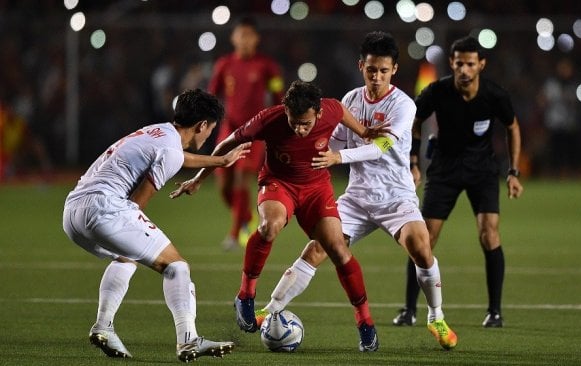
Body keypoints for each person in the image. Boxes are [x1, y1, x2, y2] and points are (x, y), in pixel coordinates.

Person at [252, 31, 458, 351]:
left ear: (394, 70)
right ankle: (271, 308)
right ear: (361, 65)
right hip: (357, 197)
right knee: (317, 249)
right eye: (371, 69)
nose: (376, 77)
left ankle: (436, 316)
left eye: (383, 71)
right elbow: (331, 142)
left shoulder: (403, 105)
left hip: (396, 196)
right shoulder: (349, 100)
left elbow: (380, 147)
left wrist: (338, 157)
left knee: (421, 245)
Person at [170, 80, 388, 352]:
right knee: (269, 226)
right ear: (285, 110)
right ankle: (246, 295)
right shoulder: (268, 119)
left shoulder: (330, 110)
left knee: (339, 250)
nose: (298, 128)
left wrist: (364, 131)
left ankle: (365, 322)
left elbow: (341, 110)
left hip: (317, 189)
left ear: (318, 113)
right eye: (293, 121)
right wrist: (200, 178)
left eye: (305, 124)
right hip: (279, 184)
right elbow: (227, 142)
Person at [62, 89, 251, 361]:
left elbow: (178, 156)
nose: (210, 135)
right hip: (104, 209)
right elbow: (137, 203)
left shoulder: (158, 131)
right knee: (176, 266)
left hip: (73, 212)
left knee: (126, 258)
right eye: (210, 129)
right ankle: (189, 340)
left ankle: (104, 326)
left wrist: (219, 161)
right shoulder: (170, 150)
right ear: (202, 125)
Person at [395, 36, 524, 328]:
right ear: (451, 63)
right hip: (445, 169)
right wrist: (413, 161)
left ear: (481, 64)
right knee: (423, 238)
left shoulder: (494, 95)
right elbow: (413, 121)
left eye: (469, 63)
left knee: (489, 235)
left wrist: (513, 172)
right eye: (458, 63)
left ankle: (495, 312)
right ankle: (409, 310)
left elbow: (513, 127)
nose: (464, 69)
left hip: (482, 170)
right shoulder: (438, 91)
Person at [207, 16, 285, 250]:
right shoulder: (224, 65)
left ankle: (234, 234)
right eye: (241, 35)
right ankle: (248, 218)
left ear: (256, 39)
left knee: (242, 180)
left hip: (255, 131)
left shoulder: (267, 66)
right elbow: (213, 95)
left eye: (249, 35)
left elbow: (278, 97)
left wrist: (279, 124)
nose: (245, 40)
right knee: (223, 185)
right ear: (233, 38)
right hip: (229, 130)